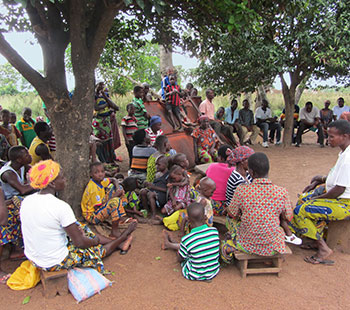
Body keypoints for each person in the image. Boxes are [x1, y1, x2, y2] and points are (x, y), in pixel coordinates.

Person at [20, 160, 137, 273]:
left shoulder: (27, 201)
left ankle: (119, 243)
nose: (65, 180)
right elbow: (80, 243)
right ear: (52, 183)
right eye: (62, 177)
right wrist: (95, 241)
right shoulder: (60, 206)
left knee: (81, 227)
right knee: (95, 250)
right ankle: (122, 239)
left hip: (34, 258)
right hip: (54, 261)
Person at [290, 120, 350, 265]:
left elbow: (339, 190)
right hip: (337, 196)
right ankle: (312, 238)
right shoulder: (344, 153)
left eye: (331, 137)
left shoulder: (348, 159)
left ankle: (323, 248)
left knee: (301, 210)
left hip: (344, 203)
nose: (328, 140)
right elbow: (337, 179)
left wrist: (318, 198)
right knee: (304, 198)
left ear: (345, 136)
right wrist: (321, 179)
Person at [221, 153, 293, 263]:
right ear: (268, 170)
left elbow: (232, 214)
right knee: (279, 229)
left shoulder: (242, 190)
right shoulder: (281, 192)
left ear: (252, 172)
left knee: (229, 221)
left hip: (247, 244)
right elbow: (288, 217)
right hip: (272, 246)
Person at [161, 202, 220, 281]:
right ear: (205, 217)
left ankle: (170, 244)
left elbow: (180, 259)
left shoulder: (187, 239)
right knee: (195, 248)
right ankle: (172, 244)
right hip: (213, 271)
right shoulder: (214, 231)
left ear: (188, 220)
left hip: (193, 274)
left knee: (185, 252)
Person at [81, 162, 136, 240]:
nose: (100, 174)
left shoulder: (100, 181)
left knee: (118, 188)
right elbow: (98, 208)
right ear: (91, 174)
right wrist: (115, 195)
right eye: (96, 172)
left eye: (102, 171)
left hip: (100, 207)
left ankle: (120, 216)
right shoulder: (93, 188)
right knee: (115, 201)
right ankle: (114, 231)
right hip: (92, 216)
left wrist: (117, 189)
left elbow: (113, 179)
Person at [92, 81, 120, 164]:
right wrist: (107, 105)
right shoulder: (94, 96)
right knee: (100, 141)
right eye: (99, 85)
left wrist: (105, 96)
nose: (101, 86)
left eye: (102, 85)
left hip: (106, 121)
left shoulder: (105, 95)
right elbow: (96, 108)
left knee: (109, 140)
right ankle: (103, 161)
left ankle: (110, 160)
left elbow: (115, 106)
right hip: (98, 122)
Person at [206, 145, 235, 215]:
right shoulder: (233, 170)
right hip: (224, 207)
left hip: (209, 204)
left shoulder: (211, 166)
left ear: (221, 158)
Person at [141, 155, 169, 222]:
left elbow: (168, 190)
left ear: (165, 165)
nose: (156, 166)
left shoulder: (168, 176)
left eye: (159, 165)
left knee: (151, 194)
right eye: (156, 164)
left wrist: (154, 187)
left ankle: (154, 214)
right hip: (155, 191)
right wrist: (148, 184)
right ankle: (146, 210)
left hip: (163, 195)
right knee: (143, 191)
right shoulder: (157, 174)